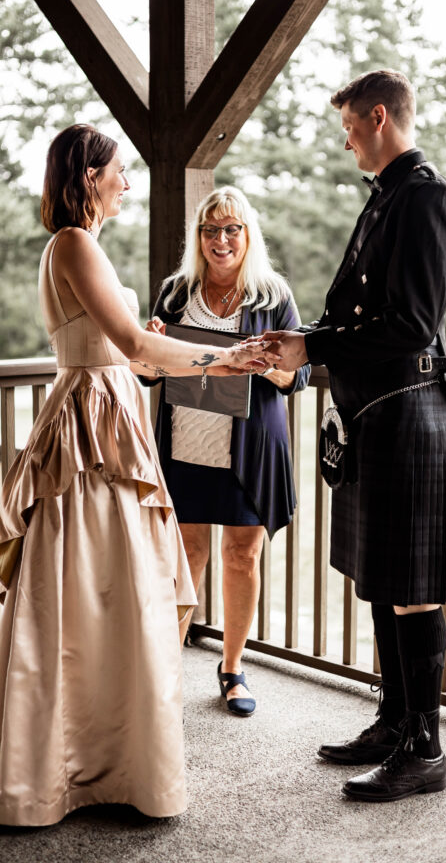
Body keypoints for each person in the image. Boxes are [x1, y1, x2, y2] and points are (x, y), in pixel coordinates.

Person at [0, 126, 271, 825]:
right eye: (118, 172)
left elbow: (132, 358)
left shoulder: (85, 248)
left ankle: (107, 756)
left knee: (109, 588)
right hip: (90, 427)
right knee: (86, 587)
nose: (128, 183)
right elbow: (136, 345)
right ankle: (69, 768)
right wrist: (223, 361)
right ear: (88, 176)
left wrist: (205, 357)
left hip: (110, 411)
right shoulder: (74, 243)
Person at [262, 70, 446, 801]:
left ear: (378, 116)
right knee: (384, 577)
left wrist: (313, 349)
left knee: (412, 588)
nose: (345, 136)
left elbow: (411, 325)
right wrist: (305, 339)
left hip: (408, 410)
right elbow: (358, 317)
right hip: (375, 411)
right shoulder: (388, 196)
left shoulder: (425, 198)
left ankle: (425, 749)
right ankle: (391, 720)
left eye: (349, 124)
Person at [143, 186, 310, 717]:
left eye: (231, 229)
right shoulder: (174, 293)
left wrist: (272, 367)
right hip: (186, 445)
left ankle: (232, 668)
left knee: (243, 556)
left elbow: (298, 374)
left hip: (248, 450)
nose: (221, 240)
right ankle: (165, 669)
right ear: (198, 237)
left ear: (247, 234)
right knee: (185, 557)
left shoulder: (272, 295)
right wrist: (149, 351)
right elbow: (149, 370)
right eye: (210, 230)